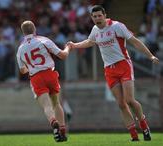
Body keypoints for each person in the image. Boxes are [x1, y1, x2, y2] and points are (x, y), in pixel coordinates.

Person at [67, 5, 159, 141]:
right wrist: (75, 45)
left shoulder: (117, 26)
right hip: (109, 70)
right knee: (121, 104)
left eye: (99, 15)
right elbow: (90, 41)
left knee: (130, 100)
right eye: (95, 16)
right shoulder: (95, 29)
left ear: (104, 15)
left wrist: (150, 56)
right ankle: (134, 136)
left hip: (123, 65)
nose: (97, 18)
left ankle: (144, 126)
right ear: (92, 18)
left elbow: (134, 41)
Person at [16, 20, 71, 142]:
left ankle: (53, 122)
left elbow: (22, 70)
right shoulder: (43, 40)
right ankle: (62, 131)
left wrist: (31, 66)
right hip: (50, 74)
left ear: (23, 33)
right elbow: (63, 55)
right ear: (34, 29)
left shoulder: (20, 48)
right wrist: (68, 47)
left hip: (36, 77)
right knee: (56, 103)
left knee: (47, 105)